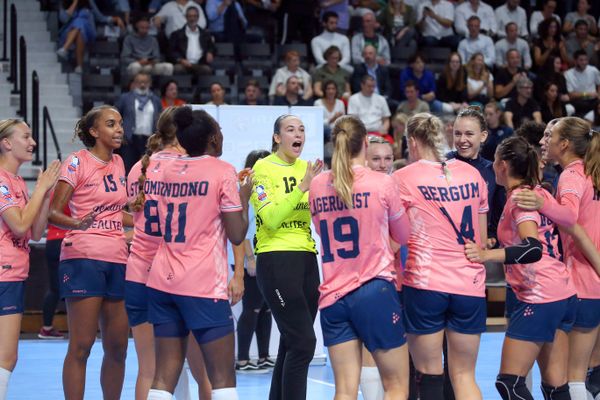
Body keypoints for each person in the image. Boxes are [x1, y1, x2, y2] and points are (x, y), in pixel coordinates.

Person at [145, 106, 252, 400]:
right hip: (202, 283)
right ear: (213, 139)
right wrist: (244, 196)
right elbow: (237, 233)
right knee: (222, 377)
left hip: (162, 280)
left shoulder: (164, 168)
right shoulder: (222, 171)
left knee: (164, 375)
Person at [464, 135, 578, 400]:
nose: (492, 166)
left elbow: (532, 248)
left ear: (503, 165)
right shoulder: (538, 192)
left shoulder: (520, 199)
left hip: (540, 296)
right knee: (555, 386)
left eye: (494, 161)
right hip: (562, 293)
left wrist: (486, 254)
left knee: (509, 383)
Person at [309, 114, 410, 399]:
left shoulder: (317, 185)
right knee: (396, 386)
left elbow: (320, 228)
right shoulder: (381, 183)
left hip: (333, 296)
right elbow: (403, 235)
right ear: (365, 142)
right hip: (373, 289)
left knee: (344, 390)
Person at [392, 112, 489, 400]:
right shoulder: (471, 174)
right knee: (464, 376)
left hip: (426, 284)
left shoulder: (402, 177)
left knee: (430, 374)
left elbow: (396, 237)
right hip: (469, 284)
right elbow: (481, 241)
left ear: (412, 141)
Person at [126, 107, 212, 400]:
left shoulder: (139, 167)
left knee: (149, 370)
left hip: (138, 272)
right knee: (207, 373)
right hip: (181, 275)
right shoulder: (191, 166)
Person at [513, 117, 600, 400]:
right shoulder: (592, 173)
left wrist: (543, 203)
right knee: (592, 370)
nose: (543, 142)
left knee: (572, 376)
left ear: (564, 144)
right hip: (592, 282)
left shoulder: (571, 176)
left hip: (583, 280)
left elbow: (571, 218)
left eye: (550, 137)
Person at [49, 106, 131, 400]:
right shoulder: (76, 162)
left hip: (118, 256)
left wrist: (149, 219)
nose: (119, 129)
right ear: (94, 131)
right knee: (82, 345)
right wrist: (77, 222)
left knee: (118, 347)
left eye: (120, 123)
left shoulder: (120, 162)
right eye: (111, 124)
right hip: (83, 256)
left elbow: (117, 212)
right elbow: (54, 212)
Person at [250, 115, 323, 400]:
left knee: (291, 345)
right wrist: (302, 187)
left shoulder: (309, 168)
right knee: (304, 343)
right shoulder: (263, 167)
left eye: (302, 130)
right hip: (276, 259)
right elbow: (269, 218)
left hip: (306, 259)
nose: (298, 134)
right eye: (290, 129)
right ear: (277, 138)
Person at [0, 120, 60, 400]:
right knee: (6, 357)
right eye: (26, 136)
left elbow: (36, 231)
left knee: (7, 358)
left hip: (14, 274)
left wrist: (46, 194)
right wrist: (41, 187)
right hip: (4, 274)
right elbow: (20, 226)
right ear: (6, 143)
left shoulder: (17, 181)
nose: (32, 141)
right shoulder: (1, 180)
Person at [234, 149, 273, 373]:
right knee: (251, 309)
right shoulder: (245, 191)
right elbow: (243, 228)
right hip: (250, 258)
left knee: (266, 310)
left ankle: (264, 356)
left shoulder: (264, 190)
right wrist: (250, 259)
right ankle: (242, 360)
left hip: (264, 256)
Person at [57, 0, 124, 73]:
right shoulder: (63, 3)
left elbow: (100, 18)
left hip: (89, 31)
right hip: (69, 32)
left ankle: (64, 49)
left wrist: (115, 18)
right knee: (80, 27)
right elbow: (64, 19)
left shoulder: (89, 1)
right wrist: (75, 2)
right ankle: (79, 66)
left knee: (80, 22)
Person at [115, 72, 163, 173]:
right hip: (130, 140)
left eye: (145, 82)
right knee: (128, 169)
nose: (142, 85)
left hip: (149, 141)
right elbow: (116, 116)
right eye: (139, 82)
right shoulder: (125, 98)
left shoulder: (156, 100)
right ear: (134, 83)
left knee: (148, 170)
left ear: (150, 83)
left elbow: (160, 119)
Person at [168, 7, 216, 78]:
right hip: (183, 64)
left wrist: (210, 52)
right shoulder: (176, 34)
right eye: (190, 16)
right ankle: (181, 89)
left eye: (194, 16)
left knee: (206, 70)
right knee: (178, 68)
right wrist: (180, 60)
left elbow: (212, 48)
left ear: (198, 17)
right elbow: (171, 51)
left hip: (200, 64)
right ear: (186, 17)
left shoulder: (205, 34)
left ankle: (203, 89)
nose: (192, 19)